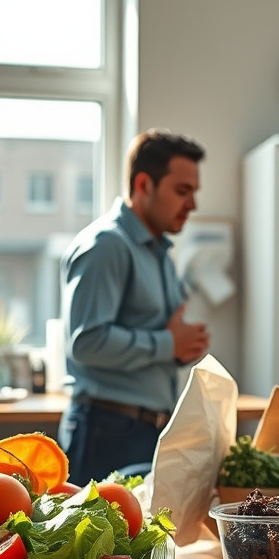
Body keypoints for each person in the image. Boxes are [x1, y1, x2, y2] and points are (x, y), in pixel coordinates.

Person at [59, 130, 210, 484]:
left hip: (143, 429)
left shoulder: (159, 254)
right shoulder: (107, 245)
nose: (192, 204)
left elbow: (157, 336)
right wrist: (168, 344)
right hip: (107, 432)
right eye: (182, 191)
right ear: (144, 184)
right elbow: (86, 343)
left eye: (194, 192)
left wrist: (179, 348)